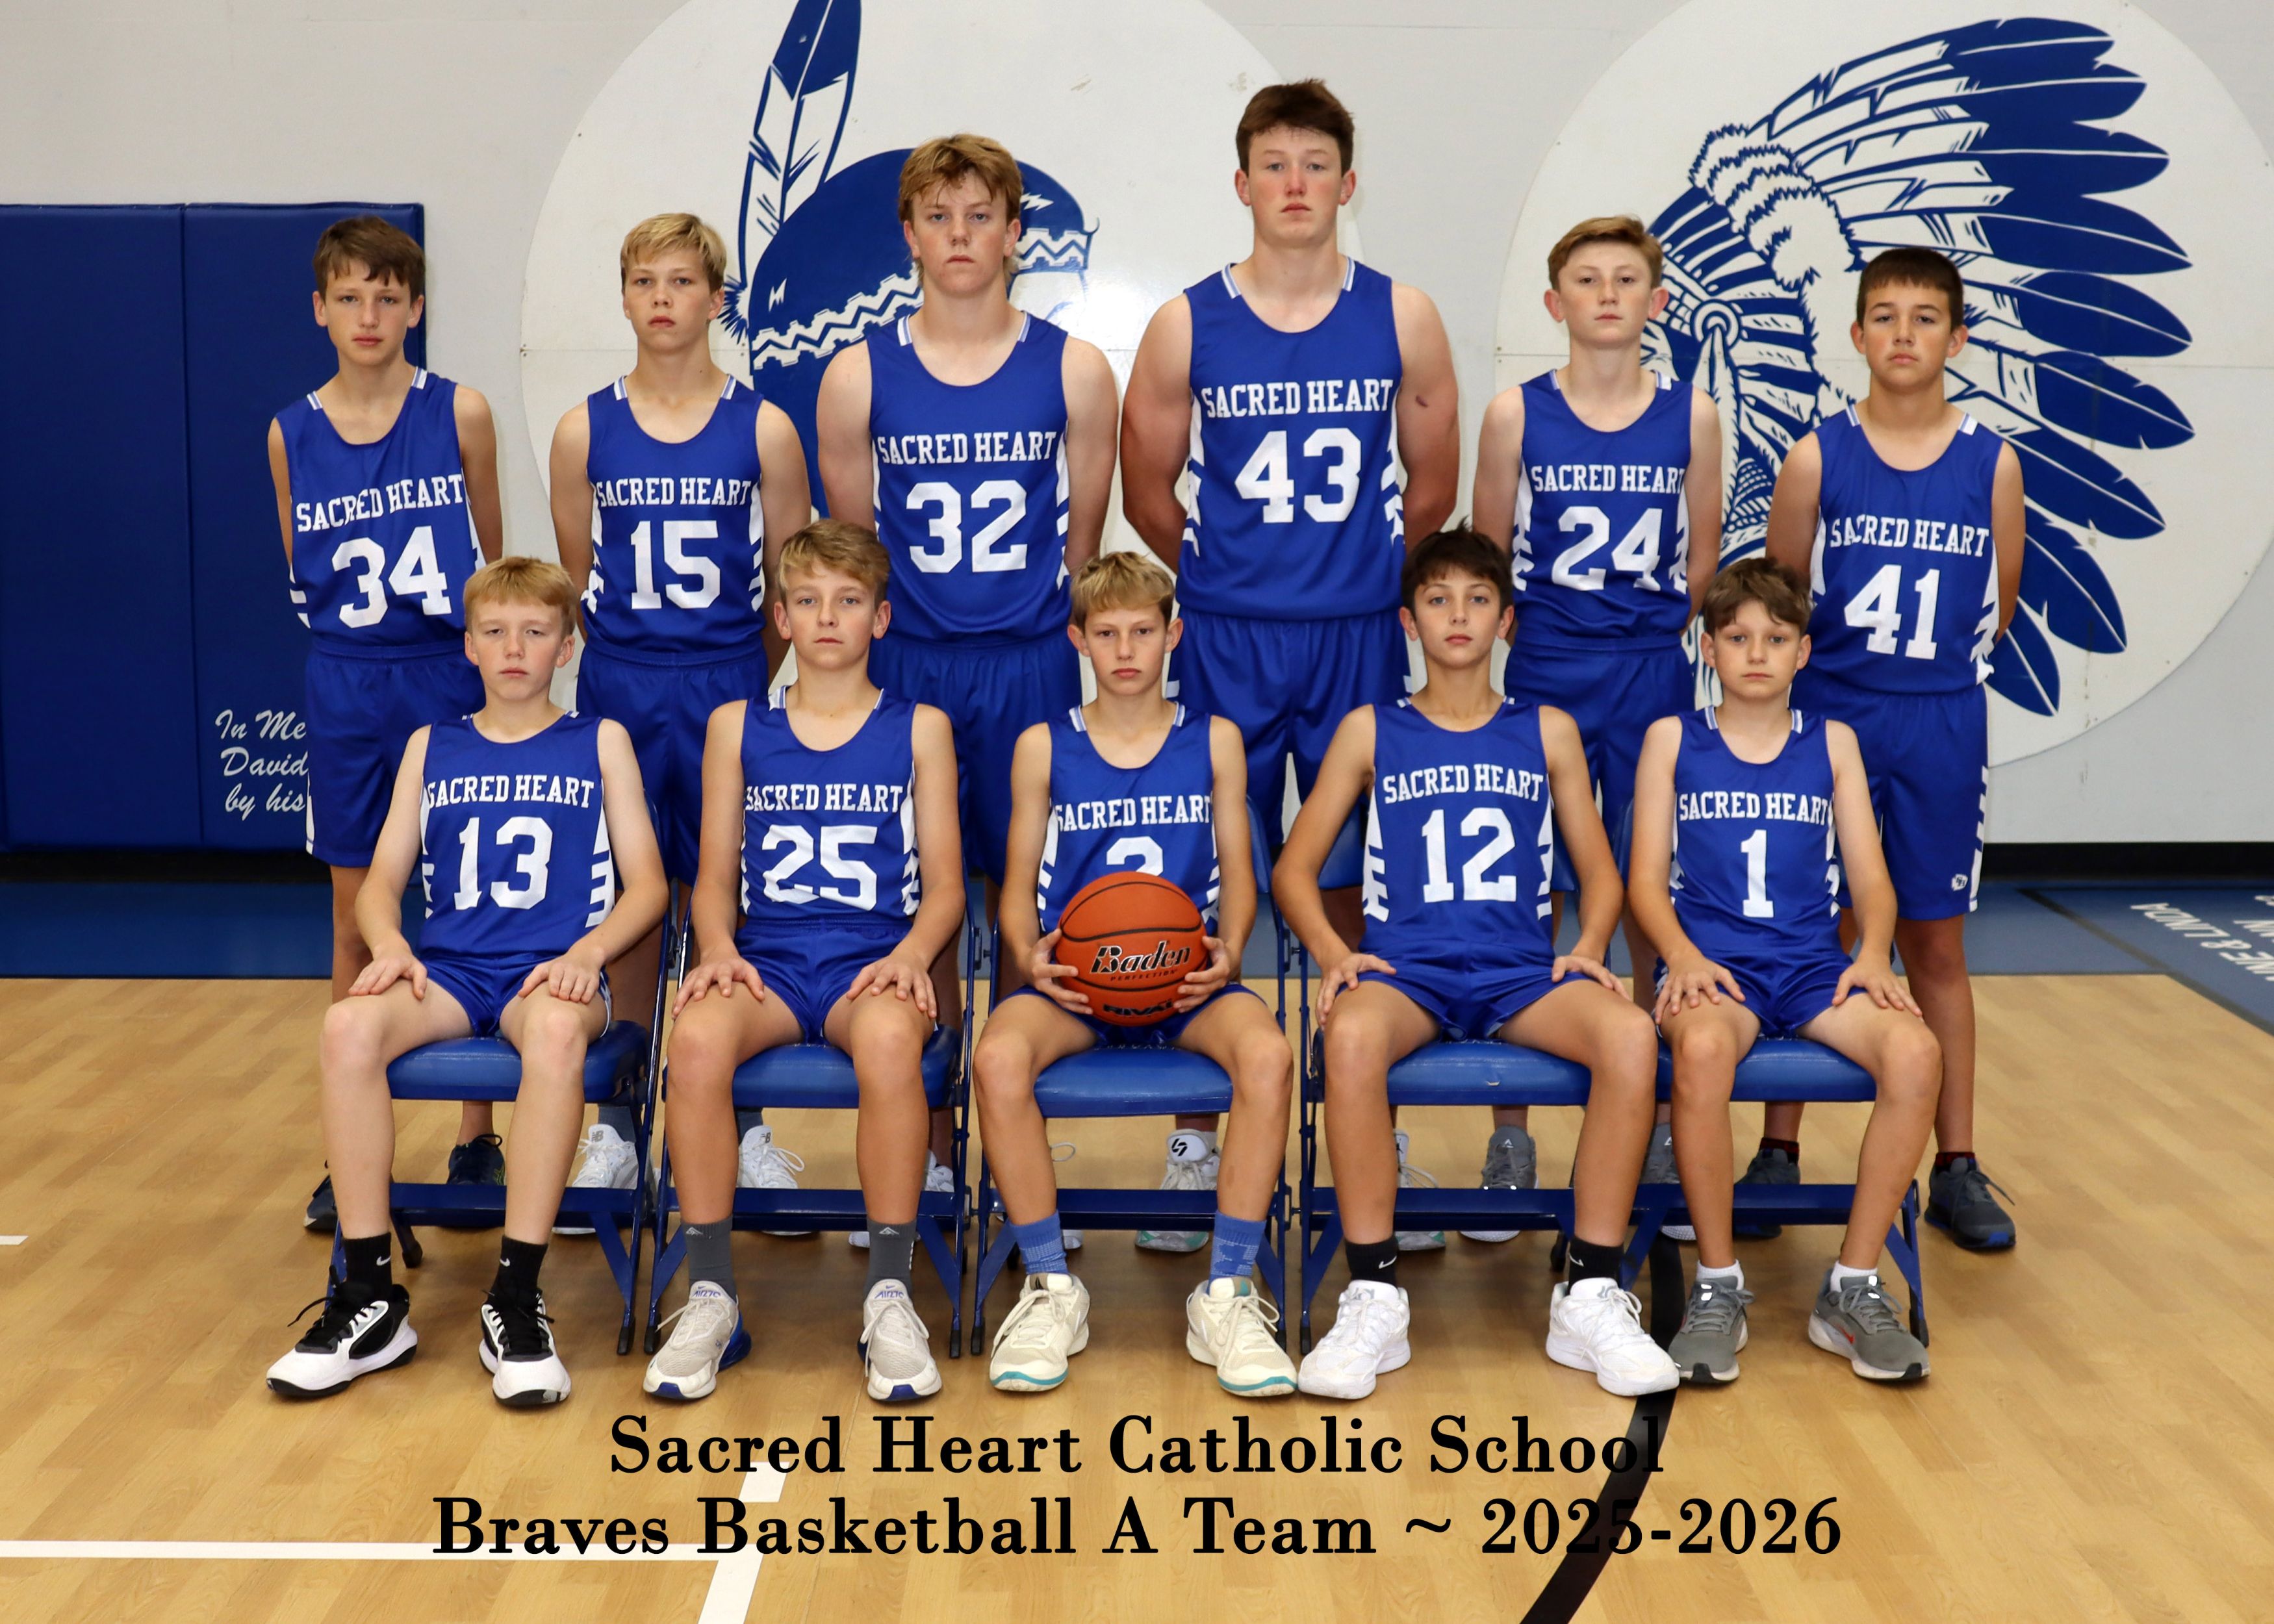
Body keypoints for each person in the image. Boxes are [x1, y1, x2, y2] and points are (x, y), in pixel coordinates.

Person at [1120, 79, 1459, 1241]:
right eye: (1275, 164)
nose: (1296, 184)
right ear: (1242, 183)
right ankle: (1194, 1144)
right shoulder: (1186, 322)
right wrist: (1229, 575)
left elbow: (1432, 488)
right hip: (1228, 634)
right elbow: (1147, 490)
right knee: (1203, 880)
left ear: (1349, 184)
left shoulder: (1403, 314)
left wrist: (1354, 578)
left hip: (1357, 633)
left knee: (1364, 885)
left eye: (1316, 164)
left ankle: (1377, 1133)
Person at [1275, 527, 1678, 1401]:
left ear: (1506, 620)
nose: (1458, 614)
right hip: (1407, 971)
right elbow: (1293, 870)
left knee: (1629, 1038)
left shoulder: (1548, 730)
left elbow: (1601, 874)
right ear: (1408, 621)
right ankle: (1375, 1293)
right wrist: (1337, 956)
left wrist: (1586, 948)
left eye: (1478, 598)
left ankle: (1590, 1291)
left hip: (1519, 972)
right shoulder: (1370, 729)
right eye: (1437, 599)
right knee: (1349, 1038)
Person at [264, 558, 667, 1405]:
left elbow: (648, 887)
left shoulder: (599, 741)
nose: (514, 648)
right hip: (449, 971)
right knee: (347, 1026)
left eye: (535, 631)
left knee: (553, 1032)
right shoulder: (431, 744)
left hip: (550, 974)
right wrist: (389, 944)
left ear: (566, 646)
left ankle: (515, 1294)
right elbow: (380, 883)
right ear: (469, 647)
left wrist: (590, 953)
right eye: (495, 631)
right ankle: (369, 1296)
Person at [814, 134, 1119, 1245]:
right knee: (923, 907)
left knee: (1037, 900)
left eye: (980, 215)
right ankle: (932, 1156)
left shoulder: (1075, 369)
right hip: (913, 667)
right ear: (909, 235)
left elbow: (1084, 546)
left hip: (1032, 659)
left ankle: (1026, 1157)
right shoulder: (857, 375)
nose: (959, 236)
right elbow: (855, 553)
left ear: (1014, 233)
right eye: (938, 217)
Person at [641, 520, 964, 1404]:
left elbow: (946, 887)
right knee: (694, 1042)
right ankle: (711, 1293)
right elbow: (713, 880)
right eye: (809, 601)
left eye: (849, 601)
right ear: (780, 617)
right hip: (770, 963)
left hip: (871, 961)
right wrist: (715, 949)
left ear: (881, 619)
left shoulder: (920, 728)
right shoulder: (736, 726)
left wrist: (912, 955)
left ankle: (889, 1291)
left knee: (892, 1043)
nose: (828, 618)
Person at [970, 550, 1297, 1398]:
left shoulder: (1214, 739)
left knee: (1268, 1055)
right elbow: (1015, 889)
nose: (1125, 650)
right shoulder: (1044, 746)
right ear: (1078, 639)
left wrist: (1228, 949)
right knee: (997, 1057)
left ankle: (1226, 1291)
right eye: (1107, 633)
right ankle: (1051, 1285)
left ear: (1172, 635)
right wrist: (1030, 956)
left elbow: (1240, 872)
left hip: (1185, 980)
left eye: (1142, 632)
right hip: (1079, 984)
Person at [548, 212, 815, 1223]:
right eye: (644, 281)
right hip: (621, 679)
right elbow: (578, 575)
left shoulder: (765, 427)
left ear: (716, 299)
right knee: (626, 898)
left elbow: (789, 588)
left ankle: (742, 1127)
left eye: (682, 281)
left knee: (726, 897)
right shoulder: (584, 428)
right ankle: (616, 1124)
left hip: (724, 679)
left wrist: (744, 686)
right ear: (624, 298)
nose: (662, 298)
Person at [1762, 246, 2025, 1250]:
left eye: (1925, 317)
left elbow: (1997, 606)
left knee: (1936, 945)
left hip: (1940, 724)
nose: (1904, 334)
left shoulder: (1991, 462)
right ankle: (1778, 1149)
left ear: (1957, 339)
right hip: (1834, 720)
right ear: (1857, 334)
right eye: (1885, 315)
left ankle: (1956, 1163)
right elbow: (1780, 608)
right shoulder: (1817, 458)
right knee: (1812, 933)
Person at [1466, 214, 1723, 1236]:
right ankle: (1511, 1130)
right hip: (1547, 667)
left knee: (1653, 887)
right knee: (1532, 889)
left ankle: (1656, 1117)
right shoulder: (1514, 415)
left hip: (1651, 667)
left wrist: (1651, 636)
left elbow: (1703, 563)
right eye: (1587, 279)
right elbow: (1486, 562)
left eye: (1626, 279)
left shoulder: (1693, 415)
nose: (1608, 294)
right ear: (1554, 302)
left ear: (1657, 301)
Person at [1628, 557, 1939, 1382]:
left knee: (1916, 1052)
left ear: (1803, 651)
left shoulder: (1831, 743)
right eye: (1736, 638)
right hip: (1714, 970)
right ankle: (1717, 1283)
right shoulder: (1672, 739)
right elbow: (1643, 882)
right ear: (1707, 648)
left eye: (1775, 638)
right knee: (1701, 1050)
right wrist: (1681, 956)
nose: (1756, 653)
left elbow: (1871, 880)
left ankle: (1851, 1284)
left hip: (1810, 968)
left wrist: (1871, 954)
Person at [273, 216, 507, 1232]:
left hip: (444, 674)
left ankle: (476, 1135)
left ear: (416, 308)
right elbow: (301, 572)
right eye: (349, 297)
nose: (368, 315)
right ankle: (350, 1151)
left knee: (464, 903)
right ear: (319, 309)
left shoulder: (460, 413)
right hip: (348, 684)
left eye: (387, 296)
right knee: (352, 912)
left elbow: (491, 563)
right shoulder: (290, 433)